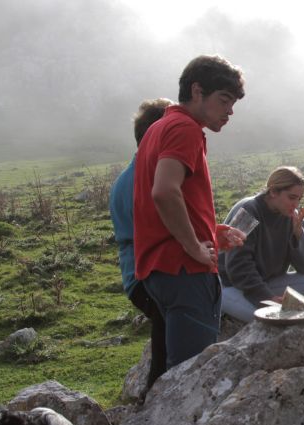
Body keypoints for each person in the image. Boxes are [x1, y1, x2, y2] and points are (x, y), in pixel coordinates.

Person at [133, 54, 246, 370]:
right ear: (197, 91)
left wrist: (210, 233)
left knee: (175, 370)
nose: (230, 111)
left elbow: (167, 196)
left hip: (160, 269)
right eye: (224, 100)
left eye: (233, 103)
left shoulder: (159, 127)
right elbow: (165, 191)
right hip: (184, 270)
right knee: (191, 375)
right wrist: (194, 246)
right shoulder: (186, 128)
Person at [109, 97, 173, 393]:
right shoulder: (145, 180)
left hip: (139, 277)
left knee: (165, 346)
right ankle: (156, 399)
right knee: (168, 350)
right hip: (149, 277)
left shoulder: (131, 176)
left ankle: (153, 398)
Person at [218, 166, 304, 321]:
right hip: (230, 286)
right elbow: (237, 266)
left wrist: (298, 235)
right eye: (291, 197)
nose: (296, 204)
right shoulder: (248, 210)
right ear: (273, 192)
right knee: (270, 320)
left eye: (299, 199)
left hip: (268, 281)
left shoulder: (291, 217)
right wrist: (267, 298)